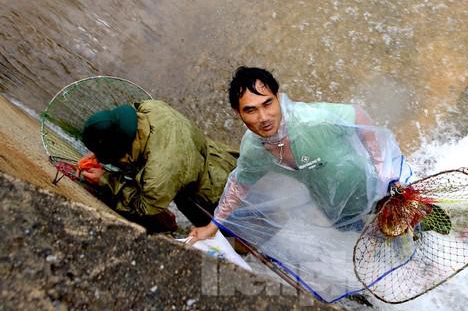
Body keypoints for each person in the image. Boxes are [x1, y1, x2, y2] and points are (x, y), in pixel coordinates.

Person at [188, 66, 403, 243]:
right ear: (238, 113)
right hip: (336, 209)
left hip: (375, 190)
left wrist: (384, 173)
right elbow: (239, 184)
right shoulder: (254, 149)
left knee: (416, 230)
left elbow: (358, 116)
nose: (264, 117)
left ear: (278, 98)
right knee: (373, 241)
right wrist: (213, 225)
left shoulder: (311, 120)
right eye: (251, 110)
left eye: (268, 103)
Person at [80, 99, 238, 233]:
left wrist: (106, 179)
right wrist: (103, 153)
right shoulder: (150, 107)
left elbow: (145, 207)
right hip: (222, 158)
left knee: (230, 237)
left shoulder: (158, 173)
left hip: (213, 196)